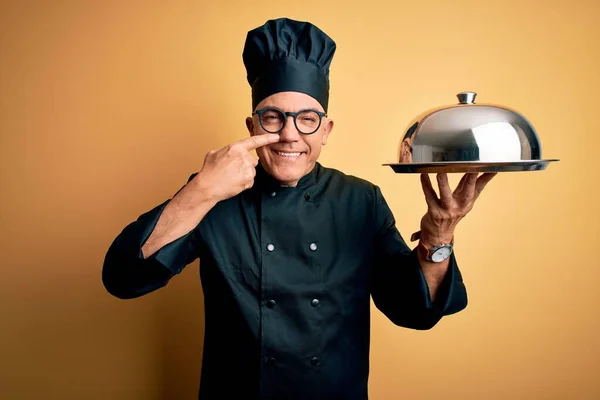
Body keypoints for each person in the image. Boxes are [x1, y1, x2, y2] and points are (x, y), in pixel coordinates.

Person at [102, 17, 496, 400]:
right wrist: (201, 190)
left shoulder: (360, 200)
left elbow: (414, 311)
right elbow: (124, 278)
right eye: (272, 117)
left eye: (307, 119)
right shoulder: (215, 194)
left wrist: (439, 234)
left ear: (326, 130)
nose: (289, 134)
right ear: (252, 126)